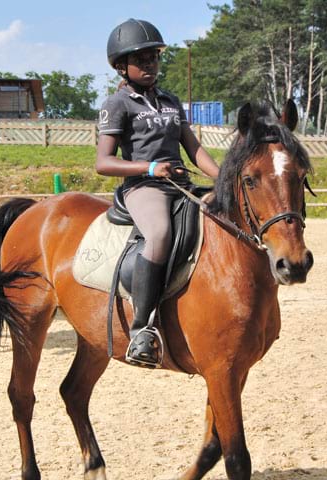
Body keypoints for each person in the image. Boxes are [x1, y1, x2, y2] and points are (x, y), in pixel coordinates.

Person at [96, 19, 220, 366]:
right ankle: (142, 329)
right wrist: (149, 168)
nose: (150, 65)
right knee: (161, 234)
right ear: (123, 65)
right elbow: (103, 162)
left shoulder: (170, 101)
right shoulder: (118, 103)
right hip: (144, 187)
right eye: (142, 60)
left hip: (180, 182)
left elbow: (194, 149)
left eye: (154, 58)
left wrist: (225, 177)